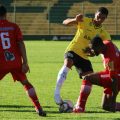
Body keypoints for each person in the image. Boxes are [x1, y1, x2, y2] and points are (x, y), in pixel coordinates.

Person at [54, 7, 111, 105]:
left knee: (90, 78)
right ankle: (57, 94)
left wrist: (93, 53)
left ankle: (79, 104)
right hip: (73, 49)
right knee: (68, 63)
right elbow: (65, 22)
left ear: (105, 19)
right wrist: (74, 20)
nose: (99, 19)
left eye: (102, 18)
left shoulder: (103, 33)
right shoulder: (84, 20)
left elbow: (105, 49)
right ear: (95, 14)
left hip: (84, 57)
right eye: (98, 16)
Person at [0, 5, 46, 116]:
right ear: (6, 14)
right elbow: (20, 43)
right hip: (14, 61)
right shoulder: (14, 26)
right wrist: (25, 62)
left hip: (1, 63)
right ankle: (38, 107)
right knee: (26, 83)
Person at [73, 36, 120, 113]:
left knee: (88, 78)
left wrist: (114, 99)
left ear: (99, 46)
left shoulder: (110, 60)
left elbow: (114, 79)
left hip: (117, 77)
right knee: (105, 106)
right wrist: (93, 52)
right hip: (113, 73)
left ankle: (80, 108)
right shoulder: (106, 43)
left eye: (93, 49)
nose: (92, 51)